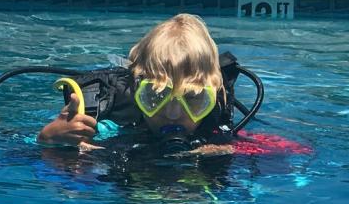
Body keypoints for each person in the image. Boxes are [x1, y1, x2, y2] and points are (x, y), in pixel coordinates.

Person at [38, 13, 233, 155]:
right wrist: (48, 139)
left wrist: (228, 150)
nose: (173, 115)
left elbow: (260, 154)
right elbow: (17, 152)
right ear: (137, 88)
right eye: (157, 96)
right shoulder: (112, 129)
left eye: (192, 99)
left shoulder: (220, 135)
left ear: (214, 93)